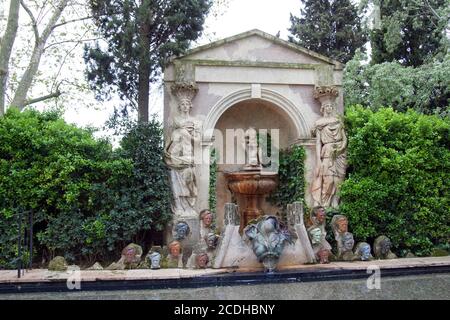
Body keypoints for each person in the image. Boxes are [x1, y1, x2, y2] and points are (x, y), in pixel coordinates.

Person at [165, 98, 201, 217]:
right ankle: (179, 207)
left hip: (187, 156)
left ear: (190, 106)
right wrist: (166, 149)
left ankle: (189, 207)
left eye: (187, 104)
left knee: (189, 179)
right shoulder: (175, 120)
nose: (185, 106)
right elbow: (170, 138)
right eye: (182, 104)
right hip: (175, 155)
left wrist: (186, 134)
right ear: (179, 106)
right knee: (175, 181)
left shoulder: (194, 122)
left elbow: (197, 141)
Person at [311, 101, 347, 208]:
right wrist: (318, 160)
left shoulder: (338, 121)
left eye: (331, 106)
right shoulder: (319, 123)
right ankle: (324, 204)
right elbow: (318, 142)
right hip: (327, 152)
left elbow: (344, 138)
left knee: (339, 180)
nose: (329, 108)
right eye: (327, 106)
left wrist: (341, 148)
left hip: (340, 153)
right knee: (328, 179)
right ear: (322, 108)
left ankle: (335, 202)